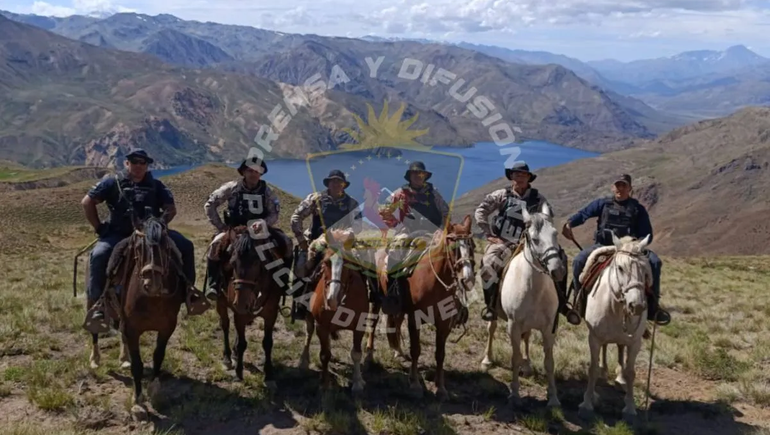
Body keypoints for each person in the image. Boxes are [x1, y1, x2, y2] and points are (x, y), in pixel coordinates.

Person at [82, 148, 197, 322]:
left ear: (147, 165)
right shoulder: (112, 182)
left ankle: (189, 293)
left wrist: (159, 225)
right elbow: (87, 202)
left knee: (186, 246)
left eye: (142, 162)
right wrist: (99, 228)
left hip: (150, 235)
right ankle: (98, 304)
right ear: (126, 163)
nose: (138, 165)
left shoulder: (156, 185)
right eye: (134, 162)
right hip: (117, 234)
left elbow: (170, 209)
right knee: (99, 255)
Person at [474, 162, 578, 323]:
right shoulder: (502, 195)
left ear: (529, 178)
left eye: (523, 175)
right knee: (488, 263)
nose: (520, 178)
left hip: (532, 244)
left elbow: (548, 218)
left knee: (561, 259)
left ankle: (562, 303)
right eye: (517, 174)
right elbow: (481, 211)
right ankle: (490, 305)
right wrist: (488, 234)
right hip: (504, 242)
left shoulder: (538, 198)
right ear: (511, 177)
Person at [562, 173, 671, 325]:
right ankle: (579, 303)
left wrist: (636, 245)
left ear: (630, 188)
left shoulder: (638, 209)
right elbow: (584, 214)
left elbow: (647, 234)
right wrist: (570, 224)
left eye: (624, 185)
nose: (620, 188)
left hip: (629, 249)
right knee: (579, 261)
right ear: (613, 187)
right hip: (603, 246)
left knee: (655, 262)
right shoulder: (602, 204)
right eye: (618, 185)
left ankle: (653, 308)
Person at [202, 156, 293, 300]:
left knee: (287, 242)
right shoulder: (231, 188)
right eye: (249, 170)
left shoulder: (267, 191)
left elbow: (274, 213)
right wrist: (222, 227)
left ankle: (283, 283)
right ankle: (213, 284)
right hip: (235, 230)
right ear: (243, 172)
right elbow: (210, 204)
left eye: (256, 171)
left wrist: (263, 224)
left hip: (260, 230)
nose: (253, 174)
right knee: (214, 246)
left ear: (261, 174)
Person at [289, 169, 363, 318]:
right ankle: (301, 305)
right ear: (328, 183)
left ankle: (366, 300)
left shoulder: (351, 203)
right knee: (300, 270)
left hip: (341, 246)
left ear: (344, 185)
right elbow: (296, 216)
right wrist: (301, 240)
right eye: (333, 181)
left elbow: (358, 225)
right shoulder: (316, 198)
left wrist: (348, 234)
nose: (336, 184)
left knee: (363, 268)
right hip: (314, 244)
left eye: (339, 181)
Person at [378, 161, 450, 310]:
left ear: (425, 176)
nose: (418, 176)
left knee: (453, 255)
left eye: (421, 174)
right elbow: (384, 212)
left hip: (432, 233)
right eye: (415, 174)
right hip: (408, 233)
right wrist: (398, 226)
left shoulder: (433, 193)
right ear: (409, 176)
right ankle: (393, 293)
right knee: (395, 251)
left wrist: (441, 230)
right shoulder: (400, 194)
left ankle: (456, 298)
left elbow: (446, 212)